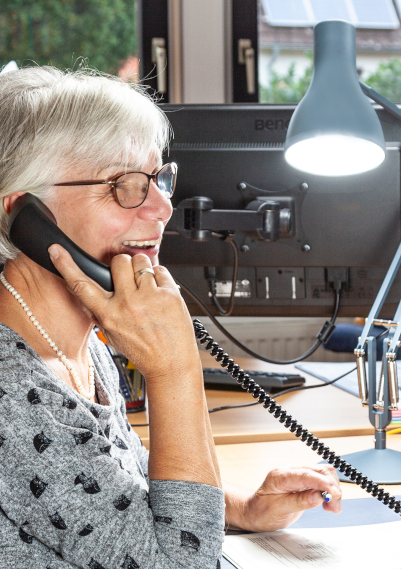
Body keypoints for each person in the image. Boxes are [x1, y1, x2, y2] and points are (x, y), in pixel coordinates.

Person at [0, 66, 342, 569]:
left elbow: (124, 492)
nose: (162, 207)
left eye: (158, 178)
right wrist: (175, 368)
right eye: (124, 185)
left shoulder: (78, 341)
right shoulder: (12, 387)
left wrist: (241, 508)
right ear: (25, 215)